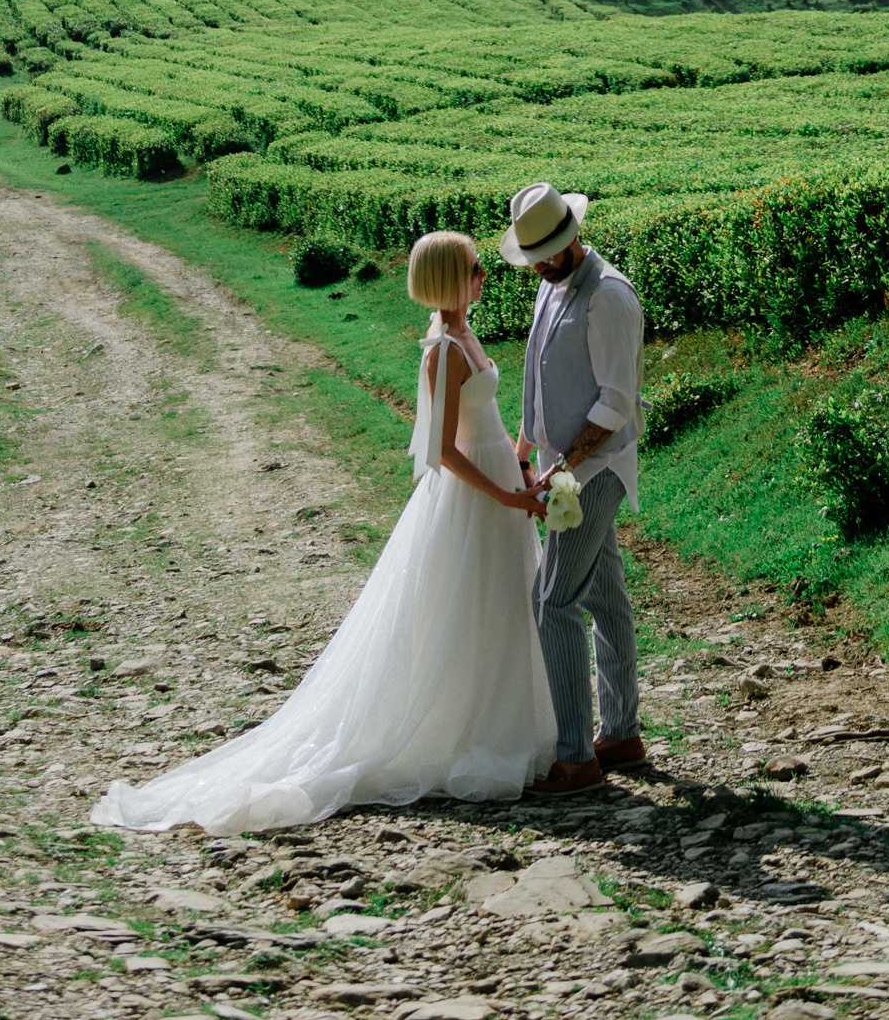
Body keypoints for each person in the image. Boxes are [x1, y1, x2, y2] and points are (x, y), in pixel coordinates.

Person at [91, 228, 556, 833]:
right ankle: (467, 734)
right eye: (473, 268)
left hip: (499, 483)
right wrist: (503, 493)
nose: (482, 276)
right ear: (449, 277)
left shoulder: (464, 334)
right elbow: (440, 451)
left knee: (497, 606)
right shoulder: (442, 349)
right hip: (475, 496)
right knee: (465, 607)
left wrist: (519, 471)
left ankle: (500, 726)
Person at [504, 179, 646, 797]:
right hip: (565, 466)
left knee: (552, 601)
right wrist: (525, 448)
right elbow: (539, 370)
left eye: (546, 251)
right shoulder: (550, 284)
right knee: (605, 597)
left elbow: (615, 403)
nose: (537, 264)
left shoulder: (608, 296)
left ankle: (575, 757)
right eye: (530, 253)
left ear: (572, 237)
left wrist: (562, 470)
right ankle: (619, 734)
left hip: (595, 471)